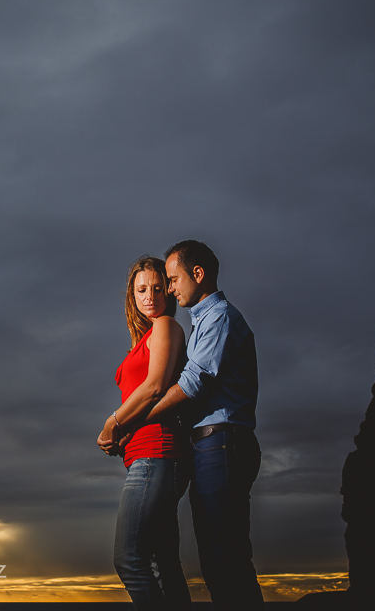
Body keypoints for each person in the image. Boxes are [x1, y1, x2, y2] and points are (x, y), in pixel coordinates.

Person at [133, 240, 264, 609]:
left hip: (222, 442)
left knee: (227, 557)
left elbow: (194, 382)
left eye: (172, 279)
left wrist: (134, 421)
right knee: (216, 558)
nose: (170, 288)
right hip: (211, 444)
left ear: (198, 274)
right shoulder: (204, 322)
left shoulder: (219, 317)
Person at [97, 255, 191, 609]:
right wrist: (122, 436)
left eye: (156, 287)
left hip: (158, 455)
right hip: (147, 455)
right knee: (163, 564)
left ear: (167, 290)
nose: (149, 296)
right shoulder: (147, 337)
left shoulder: (166, 325)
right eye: (141, 289)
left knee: (130, 561)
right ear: (131, 296)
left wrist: (113, 423)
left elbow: (154, 387)